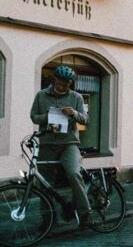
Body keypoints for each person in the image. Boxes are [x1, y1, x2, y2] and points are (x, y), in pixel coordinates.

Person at [30, 65, 91, 225]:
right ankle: (49, 221)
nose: (63, 87)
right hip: (47, 143)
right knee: (45, 183)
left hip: (68, 143)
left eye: (66, 85)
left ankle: (85, 214)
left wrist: (74, 113)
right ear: (54, 80)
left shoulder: (76, 97)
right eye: (60, 84)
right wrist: (47, 116)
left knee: (74, 174)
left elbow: (85, 119)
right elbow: (34, 116)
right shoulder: (41, 95)